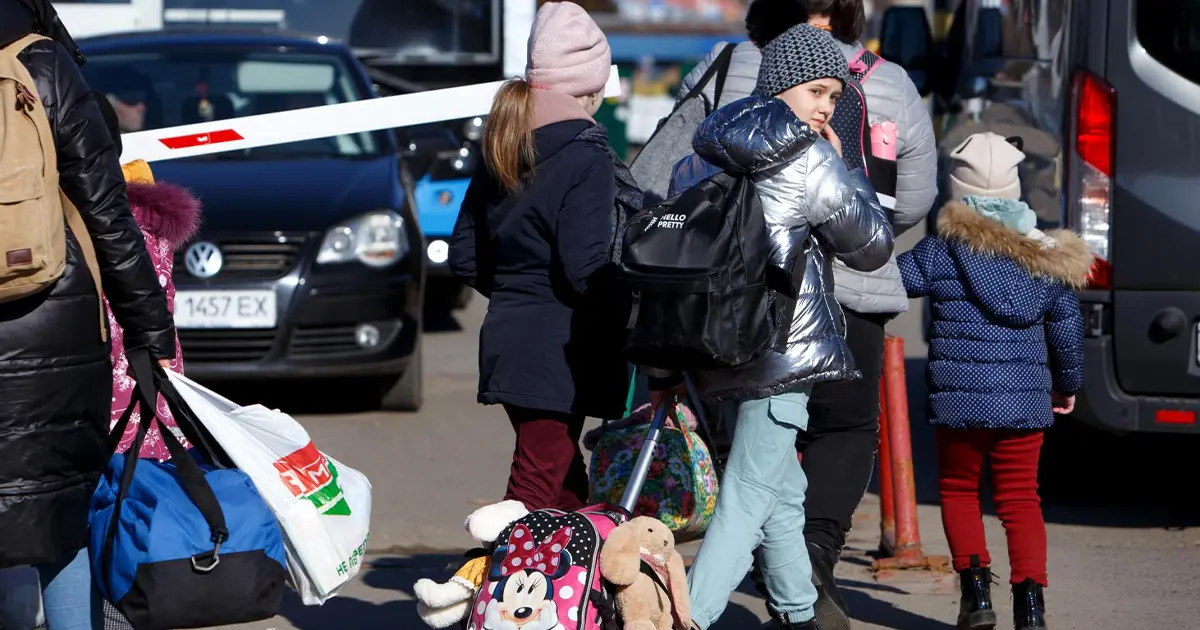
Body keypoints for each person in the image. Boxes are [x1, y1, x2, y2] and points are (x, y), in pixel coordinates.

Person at [676, 2, 939, 623]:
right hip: (785, 350)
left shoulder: (714, 142)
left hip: (722, 341)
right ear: (782, 85)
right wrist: (843, 166)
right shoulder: (806, 156)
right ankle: (689, 617)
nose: (827, 105)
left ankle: (799, 615)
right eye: (817, 90)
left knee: (786, 499)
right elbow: (872, 246)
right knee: (747, 498)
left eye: (834, 93)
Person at [0, 1, 177, 628]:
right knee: (57, 516)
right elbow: (108, 216)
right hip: (52, 323)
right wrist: (150, 334)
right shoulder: (44, 63)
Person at [448, 1, 639, 513]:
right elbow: (585, 269)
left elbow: (464, 256)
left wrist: (516, 292)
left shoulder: (501, 142)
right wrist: (634, 308)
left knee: (567, 489)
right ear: (592, 88)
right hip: (561, 351)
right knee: (531, 494)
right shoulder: (587, 154)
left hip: (507, 340)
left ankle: (584, 589)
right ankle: (483, 589)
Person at [897, 132, 1090, 630]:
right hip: (1024, 405)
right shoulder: (1046, 258)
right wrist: (1067, 385)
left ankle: (977, 599)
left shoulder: (940, 253)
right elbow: (1067, 334)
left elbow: (891, 282)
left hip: (958, 403)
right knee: (1021, 499)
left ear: (956, 191)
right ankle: (1031, 608)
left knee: (960, 491)